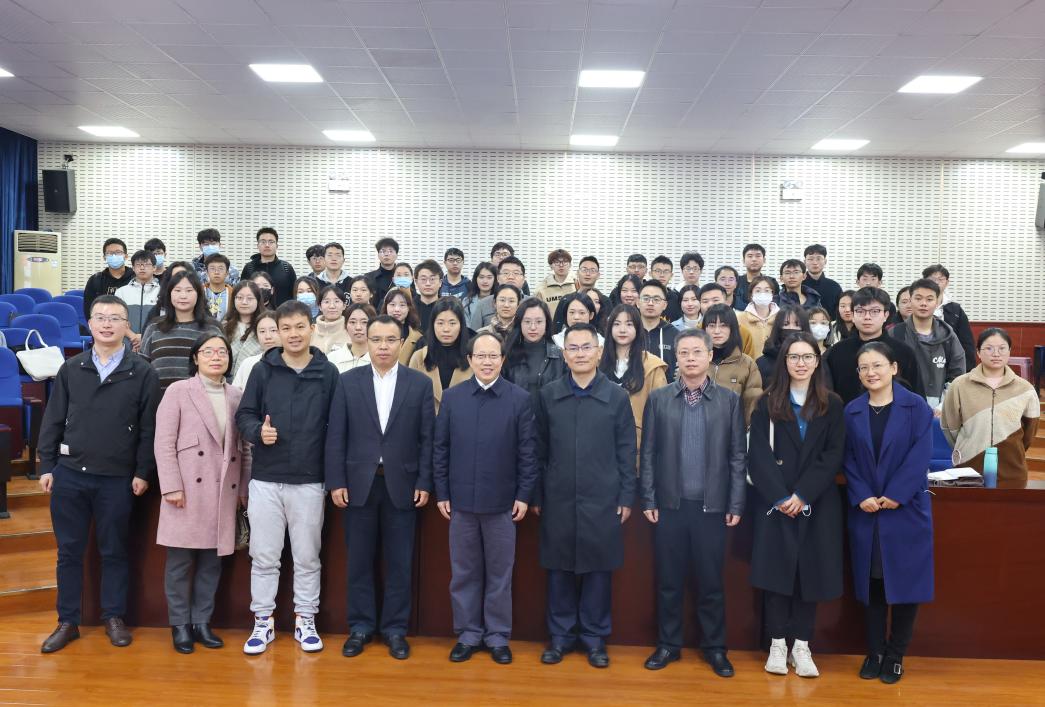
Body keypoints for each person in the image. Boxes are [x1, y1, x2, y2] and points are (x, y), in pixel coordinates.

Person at [37, 295, 160, 653]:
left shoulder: (143, 371)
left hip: (118, 478)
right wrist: (47, 465)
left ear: (126, 326)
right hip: (70, 475)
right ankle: (67, 621)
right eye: (100, 318)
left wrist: (143, 471)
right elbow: (53, 419)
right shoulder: (71, 368)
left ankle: (113, 617)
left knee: (114, 551)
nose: (107, 324)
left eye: (115, 318)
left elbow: (149, 429)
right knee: (69, 553)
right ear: (90, 324)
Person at [325, 314, 435, 661]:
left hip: (403, 484)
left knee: (400, 563)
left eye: (390, 340)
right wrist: (336, 481)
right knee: (359, 561)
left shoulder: (418, 384)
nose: (383, 346)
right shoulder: (347, 381)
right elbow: (336, 435)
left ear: (401, 342)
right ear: (366, 341)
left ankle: (395, 629)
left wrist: (425, 480)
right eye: (376, 340)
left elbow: (428, 439)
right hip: (359, 485)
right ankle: (360, 627)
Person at [638, 329, 746, 676]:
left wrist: (735, 503)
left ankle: (715, 648)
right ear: (676, 357)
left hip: (711, 508)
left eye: (697, 352)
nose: (690, 358)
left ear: (709, 355)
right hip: (670, 506)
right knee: (669, 581)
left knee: (711, 583)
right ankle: (668, 644)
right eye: (683, 352)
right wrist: (648, 496)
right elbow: (648, 452)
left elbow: (737, 457)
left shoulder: (729, 400)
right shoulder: (659, 399)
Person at [236, 300, 339, 655]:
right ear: (277, 332)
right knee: (264, 556)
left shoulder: (328, 373)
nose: (293, 334)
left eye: (299, 327)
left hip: (310, 480)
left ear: (312, 328)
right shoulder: (262, 370)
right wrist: (257, 432)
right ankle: (262, 621)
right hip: (266, 479)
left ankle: (305, 619)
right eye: (286, 328)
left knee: (308, 557)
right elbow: (244, 415)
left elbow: (337, 427)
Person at [533, 323, 636, 669]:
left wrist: (626, 496)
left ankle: (594, 639)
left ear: (598, 352)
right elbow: (538, 449)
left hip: (602, 498)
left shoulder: (616, 397)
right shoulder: (548, 395)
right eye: (573, 348)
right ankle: (560, 638)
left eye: (586, 347)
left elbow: (627, 451)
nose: (580, 354)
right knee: (558, 569)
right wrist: (538, 495)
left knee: (598, 571)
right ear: (564, 355)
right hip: (558, 496)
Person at [434, 331, 538, 665]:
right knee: (464, 573)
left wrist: (524, 495)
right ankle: (468, 634)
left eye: (494, 356)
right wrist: (442, 492)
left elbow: (528, 453)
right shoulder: (453, 398)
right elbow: (441, 449)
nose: (487, 362)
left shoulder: (519, 399)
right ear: (470, 360)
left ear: (503, 360)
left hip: (503, 504)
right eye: (481, 356)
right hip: (461, 503)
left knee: (499, 575)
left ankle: (497, 636)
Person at [748, 332, 845, 678]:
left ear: (817, 362)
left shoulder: (832, 404)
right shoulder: (767, 402)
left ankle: (802, 646)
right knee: (777, 575)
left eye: (807, 357)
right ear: (784, 362)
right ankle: (777, 644)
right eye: (793, 357)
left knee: (809, 576)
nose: (800, 363)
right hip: (776, 503)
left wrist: (802, 494)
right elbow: (758, 456)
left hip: (816, 503)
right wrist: (780, 496)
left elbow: (833, 454)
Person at [843, 342, 934, 685]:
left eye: (878, 365)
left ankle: (895, 655)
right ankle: (875, 652)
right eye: (864, 367)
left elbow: (921, 454)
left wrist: (897, 493)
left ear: (894, 368)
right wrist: (861, 494)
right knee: (873, 584)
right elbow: (847, 457)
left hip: (906, 510)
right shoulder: (852, 410)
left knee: (906, 585)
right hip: (867, 509)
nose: (871, 372)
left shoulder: (916, 407)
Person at [154, 334, 251, 654]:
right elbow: (163, 443)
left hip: (224, 490)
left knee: (212, 563)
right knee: (180, 563)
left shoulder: (236, 395)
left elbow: (245, 448)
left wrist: (244, 488)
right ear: (195, 358)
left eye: (222, 351)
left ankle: (201, 622)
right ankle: (180, 625)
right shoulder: (178, 391)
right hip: (185, 491)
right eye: (208, 351)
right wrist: (171, 486)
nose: (216, 356)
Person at [941, 328, 1040, 484]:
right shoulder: (959, 385)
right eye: (989, 348)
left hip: (1012, 470)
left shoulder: (1025, 389)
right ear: (978, 353)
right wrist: (969, 444)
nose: (996, 354)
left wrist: (1012, 446)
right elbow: (950, 427)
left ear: (1009, 351)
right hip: (968, 467)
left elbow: (1029, 433)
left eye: (1002, 348)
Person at [824, 288, 923, 404]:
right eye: (860, 311)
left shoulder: (903, 352)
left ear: (885, 315)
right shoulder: (837, 352)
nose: (867, 317)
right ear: (853, 315)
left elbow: (917, 396)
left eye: (875, 311)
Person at [889, 279, 966, 412]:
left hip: (939, 407)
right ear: (910, 301)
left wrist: (944, 405)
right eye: (918, 298)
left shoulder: (948, 334)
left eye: (929, 299)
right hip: (901, 404)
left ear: (937, 302)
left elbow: (957, 373)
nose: (923, 303)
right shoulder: (895, 333)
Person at [140, 271, 222, 391]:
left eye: (189, 290)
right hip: (158, 398)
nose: (183, 296)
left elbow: (222, 366)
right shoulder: (154, 327)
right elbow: (142, 366)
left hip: (201, 397)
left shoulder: (212, 328)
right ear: (169, 294)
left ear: (198, 294)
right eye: (177, 290)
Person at [600, 304, 668, 449]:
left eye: (629, 324)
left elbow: (662, 413)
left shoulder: (653, 366)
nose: (622, 329)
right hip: (601, 444)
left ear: (638, 328)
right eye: (617, 324)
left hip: (638, 446)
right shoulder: (596, 362)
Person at [409, 298, 472, 413]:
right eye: (440, 323)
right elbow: (411, 398)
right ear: (432, 325)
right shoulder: (419, 357)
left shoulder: (472, 358)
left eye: (452, 323)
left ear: (461, 325)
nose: (446, 329)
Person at [703, 304, 762, 425]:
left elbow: (752, 401)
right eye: (712, 326)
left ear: (733, 328)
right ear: (704, 329)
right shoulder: (694, 360)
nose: (717, 331)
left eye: (723, 325)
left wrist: (742, 429)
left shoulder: (747, 363)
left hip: (733, 430)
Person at [503, 297, 566, 399]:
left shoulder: (559, 355)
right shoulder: (508, 354)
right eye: (527, 322)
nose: (533, 327)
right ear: (520, 323)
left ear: (546, 323)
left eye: (539, 322)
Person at [922, 264, 976, 373]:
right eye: (932, 279)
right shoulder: (918, 306)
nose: (936, 282)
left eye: (940, 279)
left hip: (949, 363)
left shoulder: (955, 310)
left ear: (947, 282)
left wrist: (966, 371)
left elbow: (966, 342)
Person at [240, 228, 297, 307]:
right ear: (257, 246)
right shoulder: (249, 268)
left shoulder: (286, 268)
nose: (267, 245)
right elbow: (242, 292)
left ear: (277, 246)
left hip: (282, 313)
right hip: (255, 312)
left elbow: (294, 294)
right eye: (263, 242)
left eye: (271, 242)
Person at [468, 257, 527, 331]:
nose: (511, 277)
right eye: (506, 273)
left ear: (523, 279)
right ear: (498, 278)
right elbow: (474, 334)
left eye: (516, 273)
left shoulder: (533, 303)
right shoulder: (483, 304)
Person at [114, 249, 161, 340]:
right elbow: (117, 319)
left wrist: (144, 338)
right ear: (133, 268)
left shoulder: (162, 292)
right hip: (127, 340)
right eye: (138, 265)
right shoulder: (121, 292)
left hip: (154, 341)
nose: (142, 268)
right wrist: (132, 336)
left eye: (146, 264)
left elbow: (165, 320)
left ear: (154, 268)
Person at [756, 305, 809, 384]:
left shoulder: (812, 361)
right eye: (786, 324)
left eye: (797, 325)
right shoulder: (762, 363)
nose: (791, 328)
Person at [222, 281, 265, 379]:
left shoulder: (264, 326)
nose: (244, 302)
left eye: (249, 298)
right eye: (240, 298)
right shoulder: (224, 326)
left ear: (258, 300)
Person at [83, 237, 134, 319]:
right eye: (110, 253)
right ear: (104, 257)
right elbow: (89, 310)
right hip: (104, 324)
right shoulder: (95, 280)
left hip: (132, 324)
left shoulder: (136, 278)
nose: (114, 256)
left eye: (118, 252)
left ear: (126, 256)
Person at [638, 280, 678, 381]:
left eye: (656, 299)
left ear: (665, 305)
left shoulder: (675, 334)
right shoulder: (629, 331)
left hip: (667, 389)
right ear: (638, 303)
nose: (650, 303)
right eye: (646, 298)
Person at [232, 310, 280, 390]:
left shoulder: (293, 363)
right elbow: (235, 394)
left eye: (273, 330)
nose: (268, 336)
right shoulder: (248, 363)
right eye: (262, 331)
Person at [328, 303, 376, 373]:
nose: (358, 327)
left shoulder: (380, 359)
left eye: (364, 322)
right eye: (353, 322)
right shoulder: (332, 359)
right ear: (345, 325)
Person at [738, 275, 779, 358]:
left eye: (767, 290)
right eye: (758, 291)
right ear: (751, 294)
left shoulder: (781, 318)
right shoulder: (740, 318)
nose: (762, 294)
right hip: (750, 364)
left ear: (772, 294)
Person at [381, 288, 424, 365]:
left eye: (402, 305)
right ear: (386, 307)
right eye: (392, 305)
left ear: (409, 308)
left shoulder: (418, 337)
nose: (397, 309)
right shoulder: (375, 333)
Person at [803, 244, 842, 319]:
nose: (815, 262)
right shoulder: (798, 285)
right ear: (804, 262)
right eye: (810, 259)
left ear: (825, 261)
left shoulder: (834, 287)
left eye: (819, 258)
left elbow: (839, 312)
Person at [535, 248, 576, 319]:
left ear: (570, 265)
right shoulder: (542, 288)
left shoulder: (577, 284)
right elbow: (537, 312)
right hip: (550, 325)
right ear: (551, 266)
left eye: (565, 261)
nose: (561, 265)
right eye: (557, 262)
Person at [312, 285, 349, 354]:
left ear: (344, 306)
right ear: (320, 306)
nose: (332, 306)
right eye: (327, 302)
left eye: (336, 301)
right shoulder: (311, 331)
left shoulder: (350, 331)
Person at [365, 237, 400, 305]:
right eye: (383, 251)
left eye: (390, 251)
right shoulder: (368, 277)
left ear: (396, 255)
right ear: (378, 255)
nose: (386, 254)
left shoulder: (404, 277)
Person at [413, 260, 444, 332]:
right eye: (423, 279)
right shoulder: (409, 307)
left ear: (440, 282)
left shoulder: (447, 307)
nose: (428, 283)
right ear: (416, 282)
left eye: (432, 279)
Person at [650, 256, 682, 321]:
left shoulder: (677, 298)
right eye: (658, 271)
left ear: (671, 275)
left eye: (666, 271)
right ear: (650, 273)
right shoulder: (643, 296)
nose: (662, 275)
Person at [203, 253, 233, 320]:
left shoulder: (233, 294)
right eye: (212, 268)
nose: (216, 272)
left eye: (221, 268)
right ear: (207, 272)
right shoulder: (199, 292)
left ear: (227, 273)